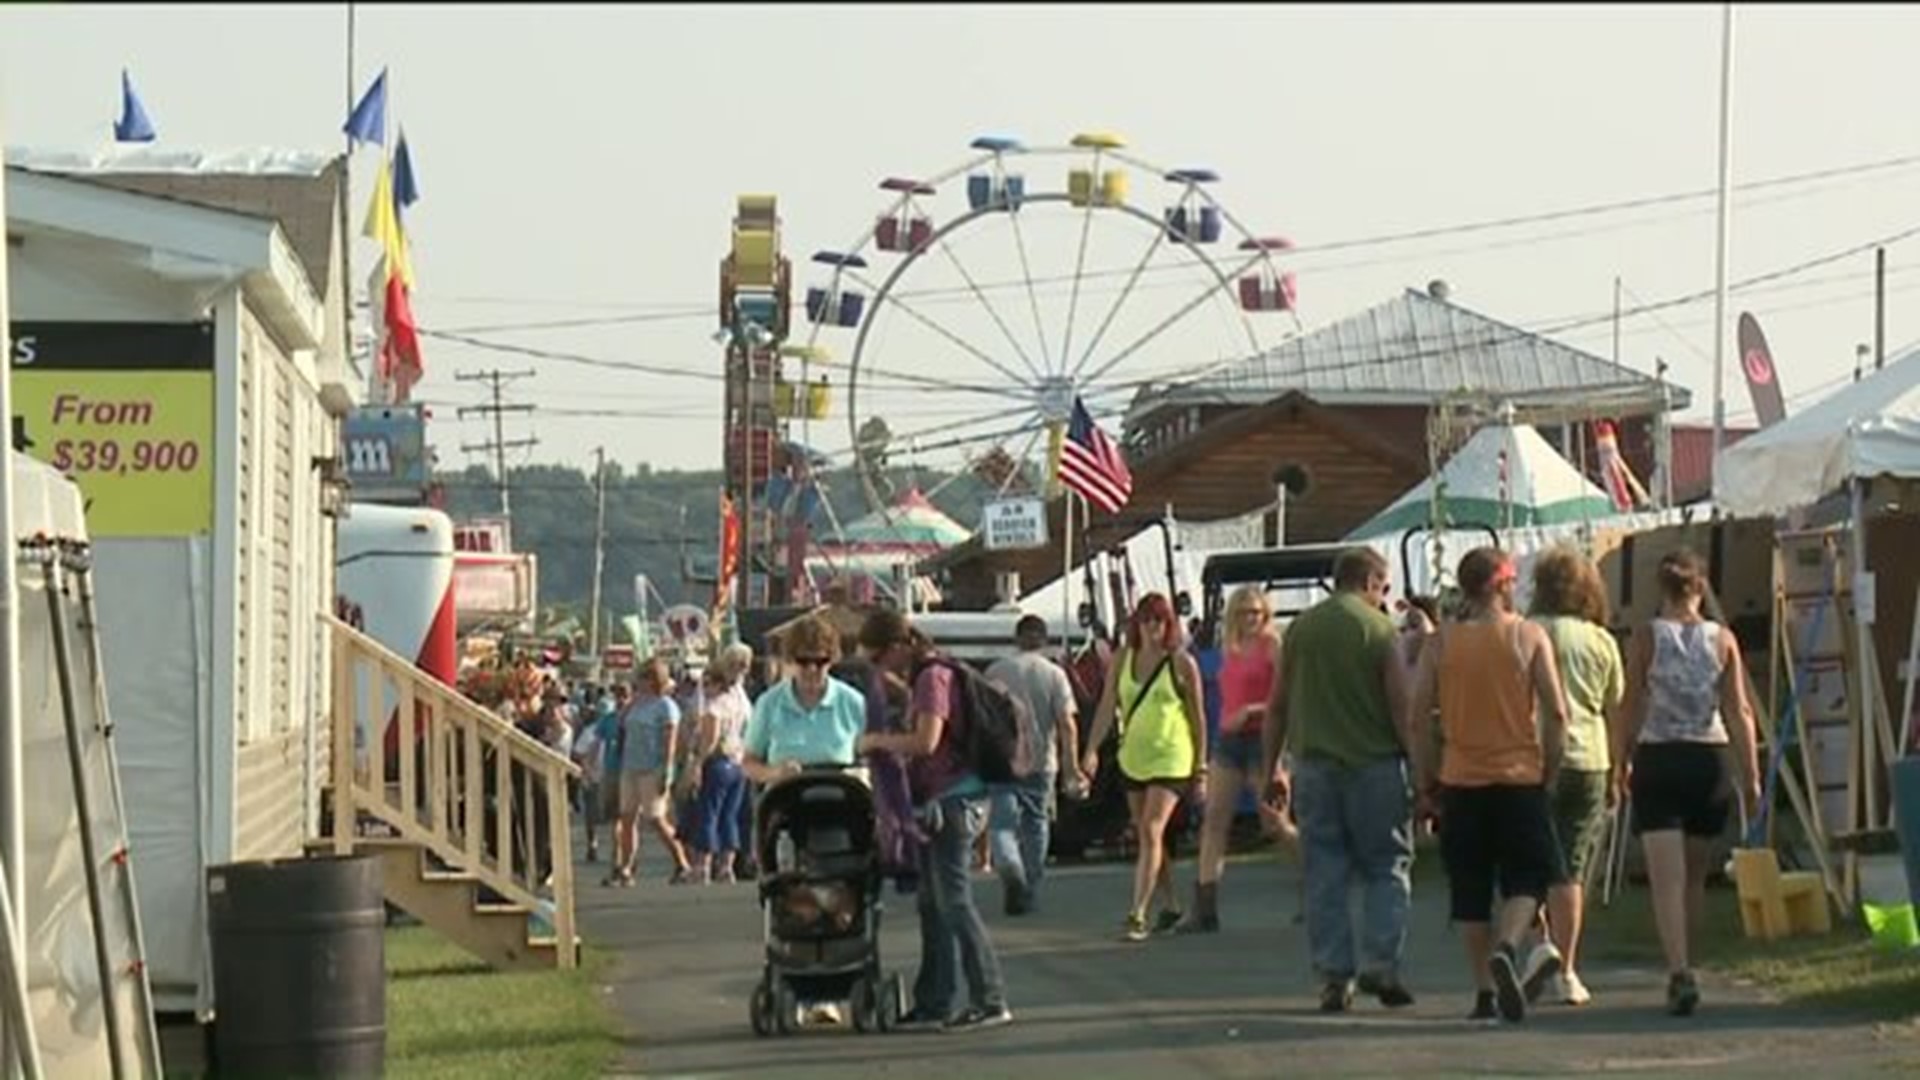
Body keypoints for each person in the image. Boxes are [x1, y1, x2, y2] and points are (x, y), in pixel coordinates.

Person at [1409, 547, 1570, 1024]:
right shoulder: (1527, 635)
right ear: (1503, 585)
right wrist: (1551, 767)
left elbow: (1419, 717)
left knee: (1470, 888)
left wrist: (1427, 777)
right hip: (1520, 776)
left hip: (1461, 778)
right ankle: (1509, 944)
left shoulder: (1440, 645)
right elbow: (1557, 713)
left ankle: (1483, 990)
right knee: (1529, 876)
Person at [1263, 547, 1417, 1012]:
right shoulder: (1379, 629)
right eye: (1383, 587)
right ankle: (1381, 960)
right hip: (1374, 766)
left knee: (1324, 871)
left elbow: (1277, 706)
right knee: (1387, 865)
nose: (1384, 596)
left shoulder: (1301, 629)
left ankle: (1334, 975)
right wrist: (1422, 769)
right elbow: (1401, 707)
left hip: (1315, 766)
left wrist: (1271, 766)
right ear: (1369, 581)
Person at [1613, 548, 1760, 1018]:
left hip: (1660, 758)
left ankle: (1677, 968)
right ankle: (1689, 965)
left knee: (1665, 880)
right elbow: (1739, 711)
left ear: (1663, 589)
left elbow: (1630, 703)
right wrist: (1751, 776)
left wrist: (1619, 759)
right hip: (1708, 758)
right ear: (1700, 588)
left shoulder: (1645, 637)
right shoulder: (1724, 640)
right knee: (1695, 877)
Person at [858, 611, 1012, 1033]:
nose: (875, 668)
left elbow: (927, 741)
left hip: (953, 800)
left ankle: (989, 997)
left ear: (895, 648)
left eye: (876, 658)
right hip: (942, 800)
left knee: (954, 901)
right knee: (932, 904)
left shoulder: (931, 677)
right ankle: (935, 1000)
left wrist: (877, 741)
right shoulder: (924, 674)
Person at [1526, 547, 1625, 1007]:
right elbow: (1614, 705)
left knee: (1528, 858)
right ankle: (1567, 968)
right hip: (1590, 757)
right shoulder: (1600, 640)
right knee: (1572, 866)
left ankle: (1538, 943)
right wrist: (1622, 765)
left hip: (1532, 755)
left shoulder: (1528, 633)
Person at [1081, 593, 1206, 943]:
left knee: (1151, 828)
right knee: (1149, 835)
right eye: (1147, 619)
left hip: (1172, 755)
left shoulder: (1181, 663)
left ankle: (1137, 914)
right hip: (1133, 756)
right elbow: (1107, 707)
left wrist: (1201, 766)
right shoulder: (1123, 658)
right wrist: (1091, 750)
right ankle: (1171, 904)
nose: (1154, 627)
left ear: (1170, 625)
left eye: (1161, 620)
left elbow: (1198, 719)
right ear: (1136, 623)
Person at [1182, 585, 1283, 933]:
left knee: (1273, 822)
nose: (1250, 620)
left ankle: (1318, 883)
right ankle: (1204, 906)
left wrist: (1254, 710)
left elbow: (1286, 699)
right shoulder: (1229, 648)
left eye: (1255, 613)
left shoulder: (1273, 647)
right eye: (1243, 613)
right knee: (1214, 821)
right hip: (1228, 739)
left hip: (1260, 738)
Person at [984, 614, 1082, 916]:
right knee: (1036, 824)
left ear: (1017, 638)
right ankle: (1030, 886)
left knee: (1001, 824)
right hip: (1042, 761)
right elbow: (1067, 724)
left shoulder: (995, 672)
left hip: (1003, 760)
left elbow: (984, 719)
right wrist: (1072, 767)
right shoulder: (1055, 675)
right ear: (1043, 640)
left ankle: (1010, 867)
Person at [743, 617, 867, 781]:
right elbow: (749, 762)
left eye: (820, 662)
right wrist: (774, 773)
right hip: (786, 798)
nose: (812, 669)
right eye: (803, 661)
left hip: (840, 799)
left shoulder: (853, 702)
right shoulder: (769, 704)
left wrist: (863, 772)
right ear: (790, 660)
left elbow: (871, 756)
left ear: (831, 661)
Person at [612, 659, 693, 887]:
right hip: (630, 766)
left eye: (644, 678)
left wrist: (666, 771)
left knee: (655, 818)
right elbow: (621, 723)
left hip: (652, 767)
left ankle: (681, 861)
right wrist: (629, 704)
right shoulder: (636, 704)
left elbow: (670, 741)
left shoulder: (665, 706)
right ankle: (626, 867)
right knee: (627, 817)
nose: (639, 682)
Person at [686, 656, 754, 884]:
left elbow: (710, 738)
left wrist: (697, 763)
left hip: (717, 762)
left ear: (717, 684)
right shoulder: (738, 703)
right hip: (738, 762)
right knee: (730, 816)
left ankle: (702, 866)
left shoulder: (715, 707)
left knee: (709, 813)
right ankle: (727, 866)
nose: (704, 690)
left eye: (707, 684)